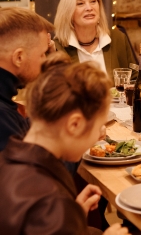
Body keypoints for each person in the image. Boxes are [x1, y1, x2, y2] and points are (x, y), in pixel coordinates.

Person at [0, 52, 129, 235]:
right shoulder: (51, 205)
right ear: (74, 124)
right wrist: (60, 216)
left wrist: (72, 217)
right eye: (98, 126)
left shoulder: (7, 159)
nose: (98, 136)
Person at [54, 0, 141, 86]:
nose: (89, 8)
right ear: (68, 12)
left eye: (93, 1)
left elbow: (134, 77)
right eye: (80, 3)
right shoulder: (58, 47)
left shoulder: (117, 38)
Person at [0, 7, 54, 151]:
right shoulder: (2, 115)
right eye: (42, 54)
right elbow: (37, 171)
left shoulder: (6, 101)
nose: (45, 61)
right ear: (19, 58)